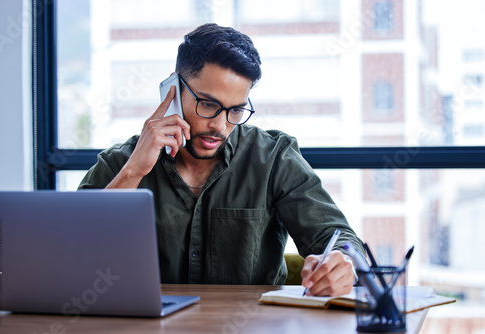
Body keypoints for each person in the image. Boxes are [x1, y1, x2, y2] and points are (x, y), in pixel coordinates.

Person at [79, 23, 364, 297]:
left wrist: (344, 263)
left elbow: (338, 237)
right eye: (209, 104)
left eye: (236, 110)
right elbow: (77, 251)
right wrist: (133, 172)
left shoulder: (273, 157)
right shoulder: (123, 162)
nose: (220, 125)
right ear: (173, 91)